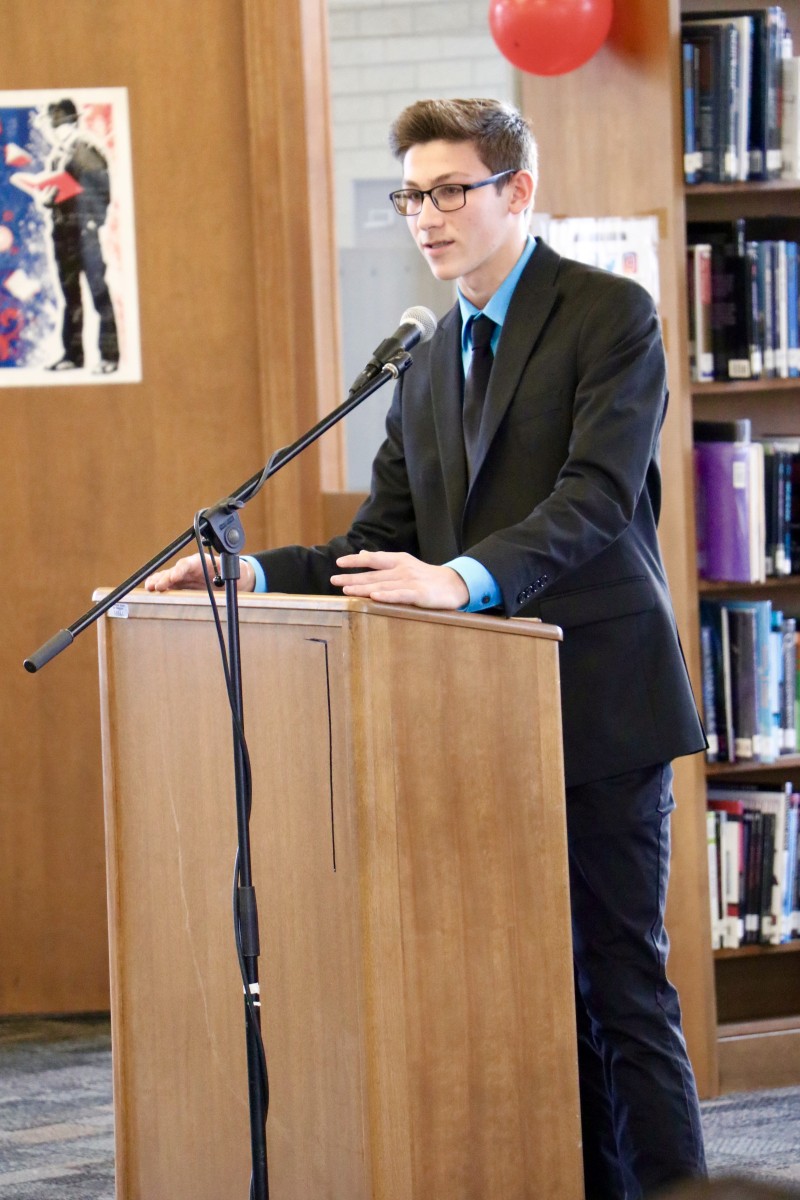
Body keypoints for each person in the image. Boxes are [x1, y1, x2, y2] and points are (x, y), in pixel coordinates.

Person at [146, 97, 708, 1199]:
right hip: (472, 717)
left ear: (517, 192)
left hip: (595, 701)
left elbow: (593, 499)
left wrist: (459, 580)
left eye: (450, 190)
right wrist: (253, 574)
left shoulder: (609, 315)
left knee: (620, 988)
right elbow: (379, 544)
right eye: (411, 194)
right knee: (534, 996)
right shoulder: (425, 352)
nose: (425, 216)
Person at [38, 99, 119, 373]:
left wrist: (92, 224)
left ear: (68, 123)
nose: (51, 130)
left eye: (55, 123)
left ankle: (110, 356)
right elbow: (61, 189)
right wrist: (49, 198)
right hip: (63, 234)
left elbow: (101, 190)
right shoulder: (57, 155)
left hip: (85, 233)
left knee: (98, 293)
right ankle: (73, 356)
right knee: (70, 296)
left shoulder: (84, 148)